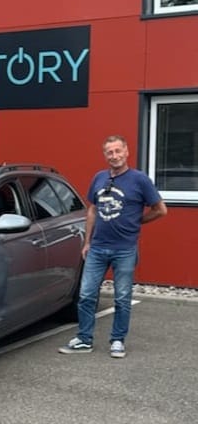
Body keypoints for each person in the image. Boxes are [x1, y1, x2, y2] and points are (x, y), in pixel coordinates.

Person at [59, 135, 167, 358]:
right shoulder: (99, 178)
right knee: (86, 295)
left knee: (122, 297)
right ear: (105, 155)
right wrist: (87, 242)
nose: (114, 156)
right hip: (97, 248)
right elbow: (92, 209)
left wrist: (138, 221)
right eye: (110, 152)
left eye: (118, 151)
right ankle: (84, 339)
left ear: (126, 152)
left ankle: (117, 340)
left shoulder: (140, 180)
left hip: (124, 249)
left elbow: (160, 210)